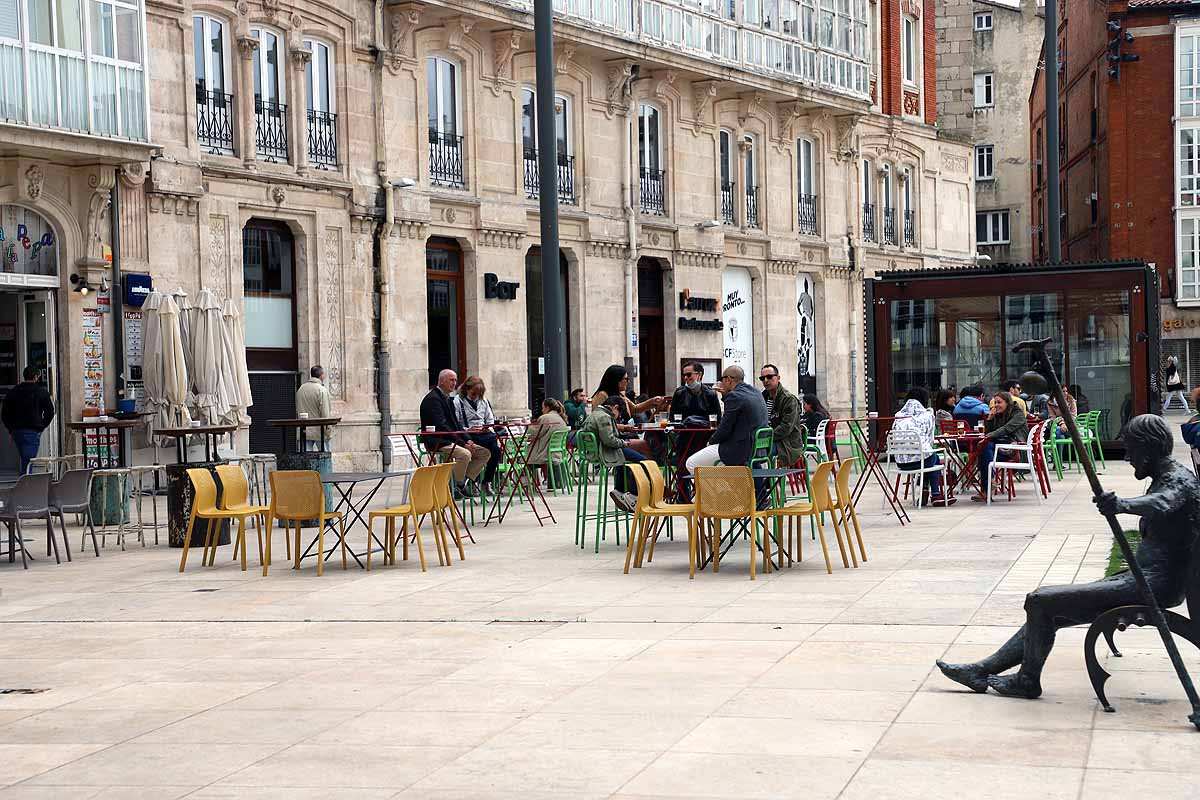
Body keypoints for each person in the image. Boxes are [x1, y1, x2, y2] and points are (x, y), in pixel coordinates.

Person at [938, 414, 1200, 699]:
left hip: (1153, 585)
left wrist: (1123, 504)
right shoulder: (1171, 475)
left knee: (1040, 600)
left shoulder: (1178, 480)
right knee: (1052, 611)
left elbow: (1162, 503)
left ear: (1147, 448)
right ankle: (981, 670)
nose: (1127, 458)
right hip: (1145, 578)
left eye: (1131, 450)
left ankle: (1027, 680)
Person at [684, 366, 769, 473]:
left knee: (691, 463)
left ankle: (716, 489)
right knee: (717, 465)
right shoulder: (755, 392)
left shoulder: (734, 396)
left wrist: (710, 442)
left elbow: (724, 428)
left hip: (739, 449)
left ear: (728, 379)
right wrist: (725, 395)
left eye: (722, 380)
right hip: (758, 449)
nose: (721, 383)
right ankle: (725, 488)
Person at [419, 369, 490, 498]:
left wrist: (468, 440)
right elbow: (443, 427)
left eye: (456, 380)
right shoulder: (433, 400)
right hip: (438, 441)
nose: (454, 383)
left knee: (484, 453)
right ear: (441, 381)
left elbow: (456, 425)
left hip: (450, 439)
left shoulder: (448, 399)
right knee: (464, 454)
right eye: (451, 380)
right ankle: (457, 486)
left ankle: (462, 481)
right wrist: (462, 443)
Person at [580, 393, 646, 513]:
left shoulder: (595, 414)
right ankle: (633, 494)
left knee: (627, 461)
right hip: (605, 452)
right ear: (615, 407)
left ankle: (620, 490)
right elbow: (609, 440)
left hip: (598, 451)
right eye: (619, 413)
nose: (618, 417)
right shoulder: (604, 417)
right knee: (645, 461)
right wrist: (624, 443)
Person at [891, 387, 954, 506]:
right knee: (933, 457)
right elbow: (930, 442)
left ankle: (925, 490)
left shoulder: (898, 415)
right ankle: (935, 494)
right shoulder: (927, 415)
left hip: (900, 463)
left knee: (926, 458)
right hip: (921, 461)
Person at [972, 390, 1028, 502]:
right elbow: (989, 433)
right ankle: (990, 482)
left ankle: (985, 489)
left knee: (984, 451)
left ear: (1007, 403)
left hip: (1014, 449)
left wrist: (987, 437)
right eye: (995, 403)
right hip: (998, 448)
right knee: (985, 449)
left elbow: (1006, 429)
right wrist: (989, 419)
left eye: (999, 402)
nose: (996, 405)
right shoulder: (998, 415)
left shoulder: (1018, 414)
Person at [2, 366, 55, 475]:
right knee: (28, 462)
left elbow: (5, 414)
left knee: (26, 458)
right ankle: (25, 485)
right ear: (36, 377)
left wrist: (11, 428)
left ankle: (25, 483)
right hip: (33, 430)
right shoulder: (41, 392)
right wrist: (42, 426)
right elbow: (50, 411)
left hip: (17, 431)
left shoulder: (14, 392)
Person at [454, 376, 502, 490]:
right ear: (467, 389)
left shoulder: (483, 400)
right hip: (468, 434)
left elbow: (490, 419)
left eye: (478, 394)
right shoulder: (457, 401)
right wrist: (467, 429)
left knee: (496, 450)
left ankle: (487, 481)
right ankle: (471, 481)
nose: (476, 396)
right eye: (473, 393)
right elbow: (456, 423)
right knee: (483, 451)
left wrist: (486, 428)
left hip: (483, 433)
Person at [761, 364, 804, 469]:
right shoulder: (762, 397)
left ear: (778, 378)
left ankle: (761, 483)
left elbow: (786, 427)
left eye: (769, 377)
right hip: (766, 439)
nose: (766, 380)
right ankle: (760, 481)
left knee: (754, 452)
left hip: (785, 444)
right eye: (762, 378)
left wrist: (767, 437)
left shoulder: (789, 399)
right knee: (744, 449)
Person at [527, 398, 569, 485]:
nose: (542, 410)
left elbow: (532, 434)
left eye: (543, 408)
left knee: (522, 458)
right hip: (557, 452)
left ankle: (525, 484)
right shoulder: (561, 418)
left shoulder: (545, 418)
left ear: (547, 407)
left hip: (544, 453)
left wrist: (530, 425)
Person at [295, 365, 332, 451]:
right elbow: (325, 413)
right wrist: (328, 430)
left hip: (304, 430)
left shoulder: (301, 389)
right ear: (322, 375)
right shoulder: (322, 390)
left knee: (305, 458)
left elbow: (298, 408)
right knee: (325, 457)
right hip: (320, 431)